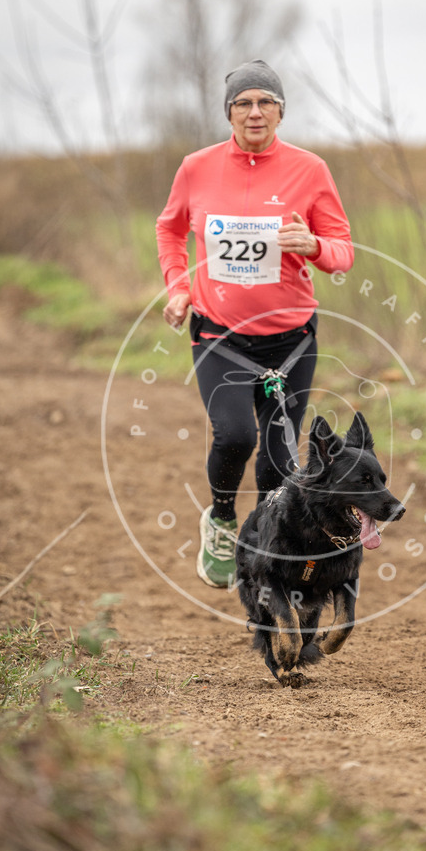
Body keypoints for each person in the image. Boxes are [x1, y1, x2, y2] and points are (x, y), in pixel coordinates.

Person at [156, 59, 354, 588]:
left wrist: (312, 245)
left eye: (266, 101)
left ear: (281, 112)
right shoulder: (196, 167)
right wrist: (178, 287)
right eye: (243, 102)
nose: (255, 111)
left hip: (290, 340)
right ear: (229, 113)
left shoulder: (309, 170)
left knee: (277, 462)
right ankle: (221, 518)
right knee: (236, 435)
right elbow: (170, 230)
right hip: (218, 333)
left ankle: (267, 550)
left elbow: (342, 252)